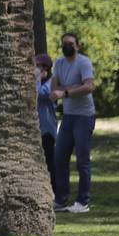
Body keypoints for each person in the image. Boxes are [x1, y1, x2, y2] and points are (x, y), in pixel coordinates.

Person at [51, 31, 96, 213]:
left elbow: (89, 86)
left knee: (82, 161)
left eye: (70, 43)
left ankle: (83, 202)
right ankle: (61, 199)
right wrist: (72, 88)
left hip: (84, 116)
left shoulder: (83, 62)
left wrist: (66, 92)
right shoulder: (59, 63)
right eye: (64, 43)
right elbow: (54, 88)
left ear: (77, 46)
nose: (66, 46)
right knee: (59, 157)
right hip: (68, 116)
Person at [35, 52, 57, 181]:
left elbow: (41, 94)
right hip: (37, 129)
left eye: (38, 66)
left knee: (50, 161)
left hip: (47, 129)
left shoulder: (51, 83)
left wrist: (37, 79)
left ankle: (55, 187)